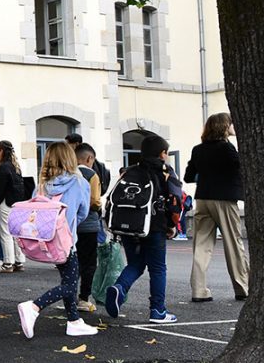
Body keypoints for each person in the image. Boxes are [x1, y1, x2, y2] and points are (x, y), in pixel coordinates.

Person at [16, 142, 98, 338]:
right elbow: (83, 212)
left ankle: (74, 321)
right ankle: (35, 306)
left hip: (45, 240)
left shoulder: (42, 186)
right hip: (65, 239)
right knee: (70, 285)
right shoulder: (79, 183)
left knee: (68, 278)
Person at [105, 134, 179, 324]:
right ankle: (157, 311)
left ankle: (119, 288)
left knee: (136, 264)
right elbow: (175, 201)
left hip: (130, 226)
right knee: (157, 268)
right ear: (163, 154)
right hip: (155, 226)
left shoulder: (129, 171)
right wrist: (172, 225)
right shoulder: (166, 172)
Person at [184, 112, 249, 302]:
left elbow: (189, 176)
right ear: (224, 127)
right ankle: (242, 287)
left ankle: (198, 290)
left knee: (201, 246)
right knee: (233, 243)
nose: (233, 127)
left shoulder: (198, 149)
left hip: (203, 198)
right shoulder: (228, 149)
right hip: (225, 199)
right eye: (231, 123)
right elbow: (241, 169)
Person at [0, 140, 26, 272]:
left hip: (4, 202)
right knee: (16, 232)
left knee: (5, 232)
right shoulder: (15, 166)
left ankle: (8, 263)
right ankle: (19, 260)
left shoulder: (3, 168)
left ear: (2, 151)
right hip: (16, 203)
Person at [74, 143, 102, 312]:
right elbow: (95, 201)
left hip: (70, 225)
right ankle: (84, 298)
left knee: (72, 262)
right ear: (89, 158)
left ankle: (68, 295)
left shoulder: (68, 173)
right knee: (89, 264)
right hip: (88, 225)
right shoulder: (91, 175)